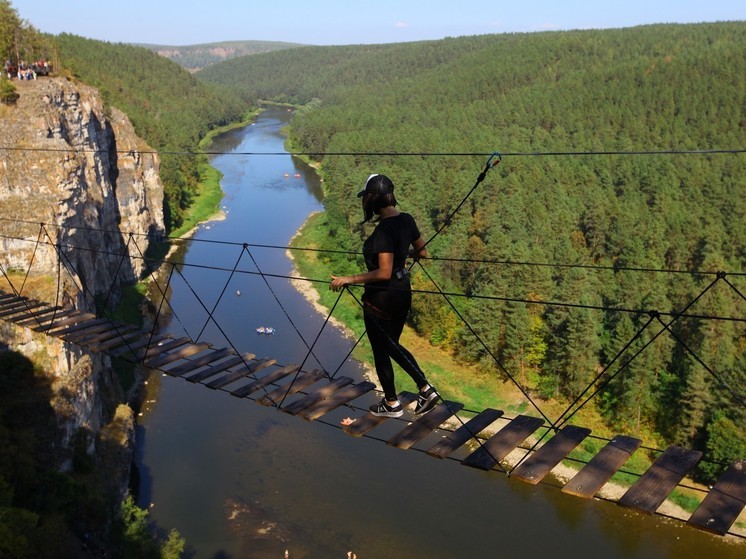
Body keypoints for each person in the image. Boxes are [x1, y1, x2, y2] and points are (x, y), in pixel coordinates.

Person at [330, 173, 439, 417]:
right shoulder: (407, 220)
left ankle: (395, 402)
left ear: (371, 200)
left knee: (382, 349)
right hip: (402, 294)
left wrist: (350, 279)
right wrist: (403, 254)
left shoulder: (382, 232)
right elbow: (422, 253)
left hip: (381, 300)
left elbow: (383, 272)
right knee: (391, 345)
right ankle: (420, 391)